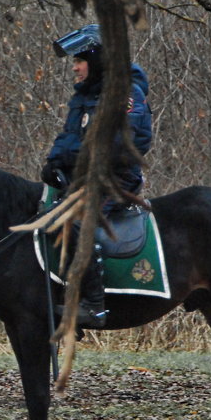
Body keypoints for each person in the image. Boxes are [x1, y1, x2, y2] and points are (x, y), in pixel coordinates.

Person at [40, 24, 153, 329]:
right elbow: (70, 136)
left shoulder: (126, 93)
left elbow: (121, 144)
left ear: (99, 59)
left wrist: (76, 160)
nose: (74, 67)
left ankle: (94, 306)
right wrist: (54, 162)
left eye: (80, 60)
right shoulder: (86, 95)